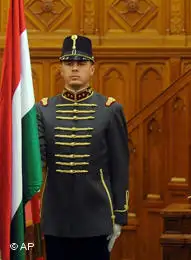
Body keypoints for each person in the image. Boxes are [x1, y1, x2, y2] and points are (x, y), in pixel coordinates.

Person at [36, 35, 130, 260]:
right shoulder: (43, 110)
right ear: (61, 68)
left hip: (96, 217)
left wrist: (120, 216)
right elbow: (35, 160)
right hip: (56, 216)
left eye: (81, 63)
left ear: (92, 68)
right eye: (69, 63)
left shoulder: (110, 110)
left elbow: (120, 167)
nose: (75, 69)